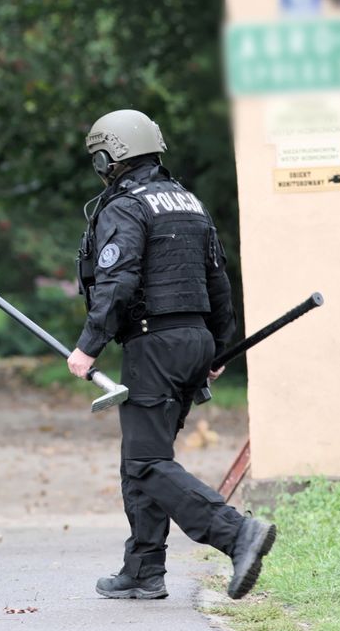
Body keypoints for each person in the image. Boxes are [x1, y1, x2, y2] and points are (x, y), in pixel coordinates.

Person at [65, 109, 275, 601]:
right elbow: (220, 283)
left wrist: (86, 346)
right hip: (193, 341)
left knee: (144, 462)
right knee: (143, 456)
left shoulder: (125, 206)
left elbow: (118, 282)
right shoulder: (187, 202)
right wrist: (218, 348)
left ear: (108, 155)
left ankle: (236, 532)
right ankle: (142, 569)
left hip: (153, 343)